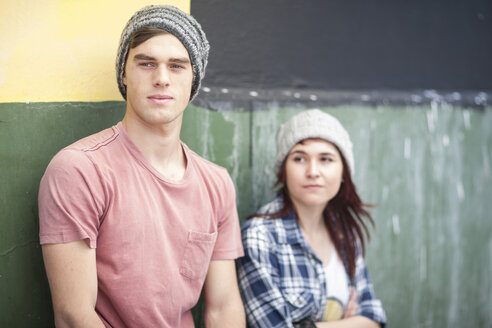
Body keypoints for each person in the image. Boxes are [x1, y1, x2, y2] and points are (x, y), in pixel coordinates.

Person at [38, 5, 245, 327]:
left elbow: (224, 307)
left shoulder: (216, 182)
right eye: (146, 63)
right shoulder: (80, 169)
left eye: (177, 66)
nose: (161, 78)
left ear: (194, 80)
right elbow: (73, 315)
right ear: (124, 73)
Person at [237, 109, 386, 328]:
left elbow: (375, 318)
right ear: (283, 170)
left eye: (326, 159)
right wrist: (349, 324)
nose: (313, 171)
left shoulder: (345, 233)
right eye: (299, 158)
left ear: (343, 173)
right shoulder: (260, 237)